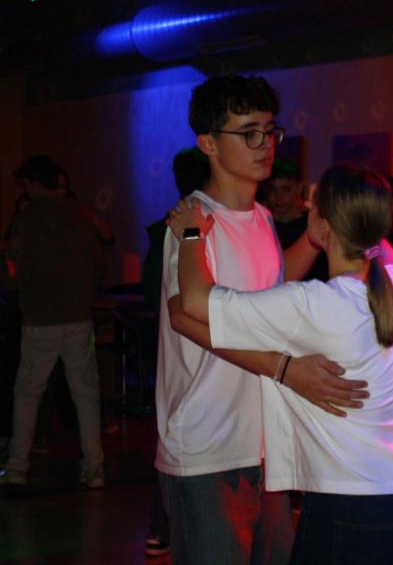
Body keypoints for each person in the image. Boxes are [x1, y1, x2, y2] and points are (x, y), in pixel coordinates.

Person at [168, 164, 393, 565]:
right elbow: (376, 245)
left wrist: (191, 233)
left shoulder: (312, 306)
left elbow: (193, 302)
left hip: (352, 511)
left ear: (325, 227)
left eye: (313, 208)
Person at [155, 75, 369, 565]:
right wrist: (285, 369)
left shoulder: (263, 218)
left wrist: (314, 236)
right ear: (209, 143)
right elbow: (186, 317)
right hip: (208, 446)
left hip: (266, 445)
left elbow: (270, 289)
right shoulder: (192, 223)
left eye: (270, 131)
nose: (265, 144)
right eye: (249, 132)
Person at [1, 154, 104, 489]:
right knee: (85, 394)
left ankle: (17, 467)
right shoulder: (79, 215)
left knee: (28, 393)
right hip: (79, 317)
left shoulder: (28, 219)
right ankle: (94, 468)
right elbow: (97, 263)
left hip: (40, 318)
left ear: (32, 183)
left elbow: (14, 275)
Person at [142, 146, 209, 558]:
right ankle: (162, 524)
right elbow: (179, 309)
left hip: (180, 359)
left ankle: (161, 525)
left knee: (174, 428)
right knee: (178, 433)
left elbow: (155, 294)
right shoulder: (183, 227)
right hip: (187, 356)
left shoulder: (176, 225)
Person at [266, 158, 328, 281]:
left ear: (299, 188)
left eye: (286, 189)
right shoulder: (263, 226)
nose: (279, 196)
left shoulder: (311, 224)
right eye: (272, 189)